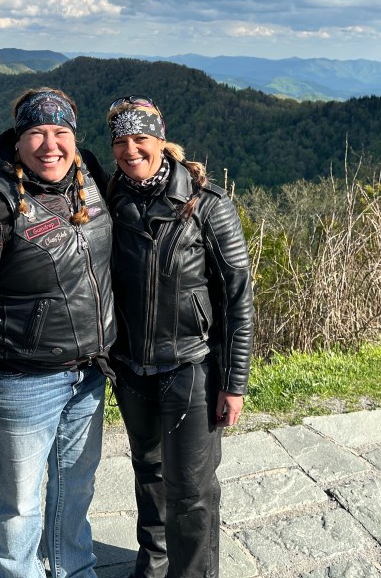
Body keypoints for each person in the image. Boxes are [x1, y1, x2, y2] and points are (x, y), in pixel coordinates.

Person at [0, 87, 115, 578]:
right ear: (17, 139)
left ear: (75, 137)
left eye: (61, 132)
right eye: (37, 132)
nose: (50, 145)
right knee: (19, 504)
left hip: (89, 373)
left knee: (77, 486)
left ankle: (74, 570)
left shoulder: (89, 178)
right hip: (22, 381)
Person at [105, 96, 255, 578]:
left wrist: (234, 382)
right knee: (148, 473)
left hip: (191, 366)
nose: (131, 150)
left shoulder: (207, 205)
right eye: (121, 141)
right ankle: (153, 563)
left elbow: (237, 298)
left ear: (161, 141)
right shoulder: (109, 199)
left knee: (190, 490)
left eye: (141, 138)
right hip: (131, 367)